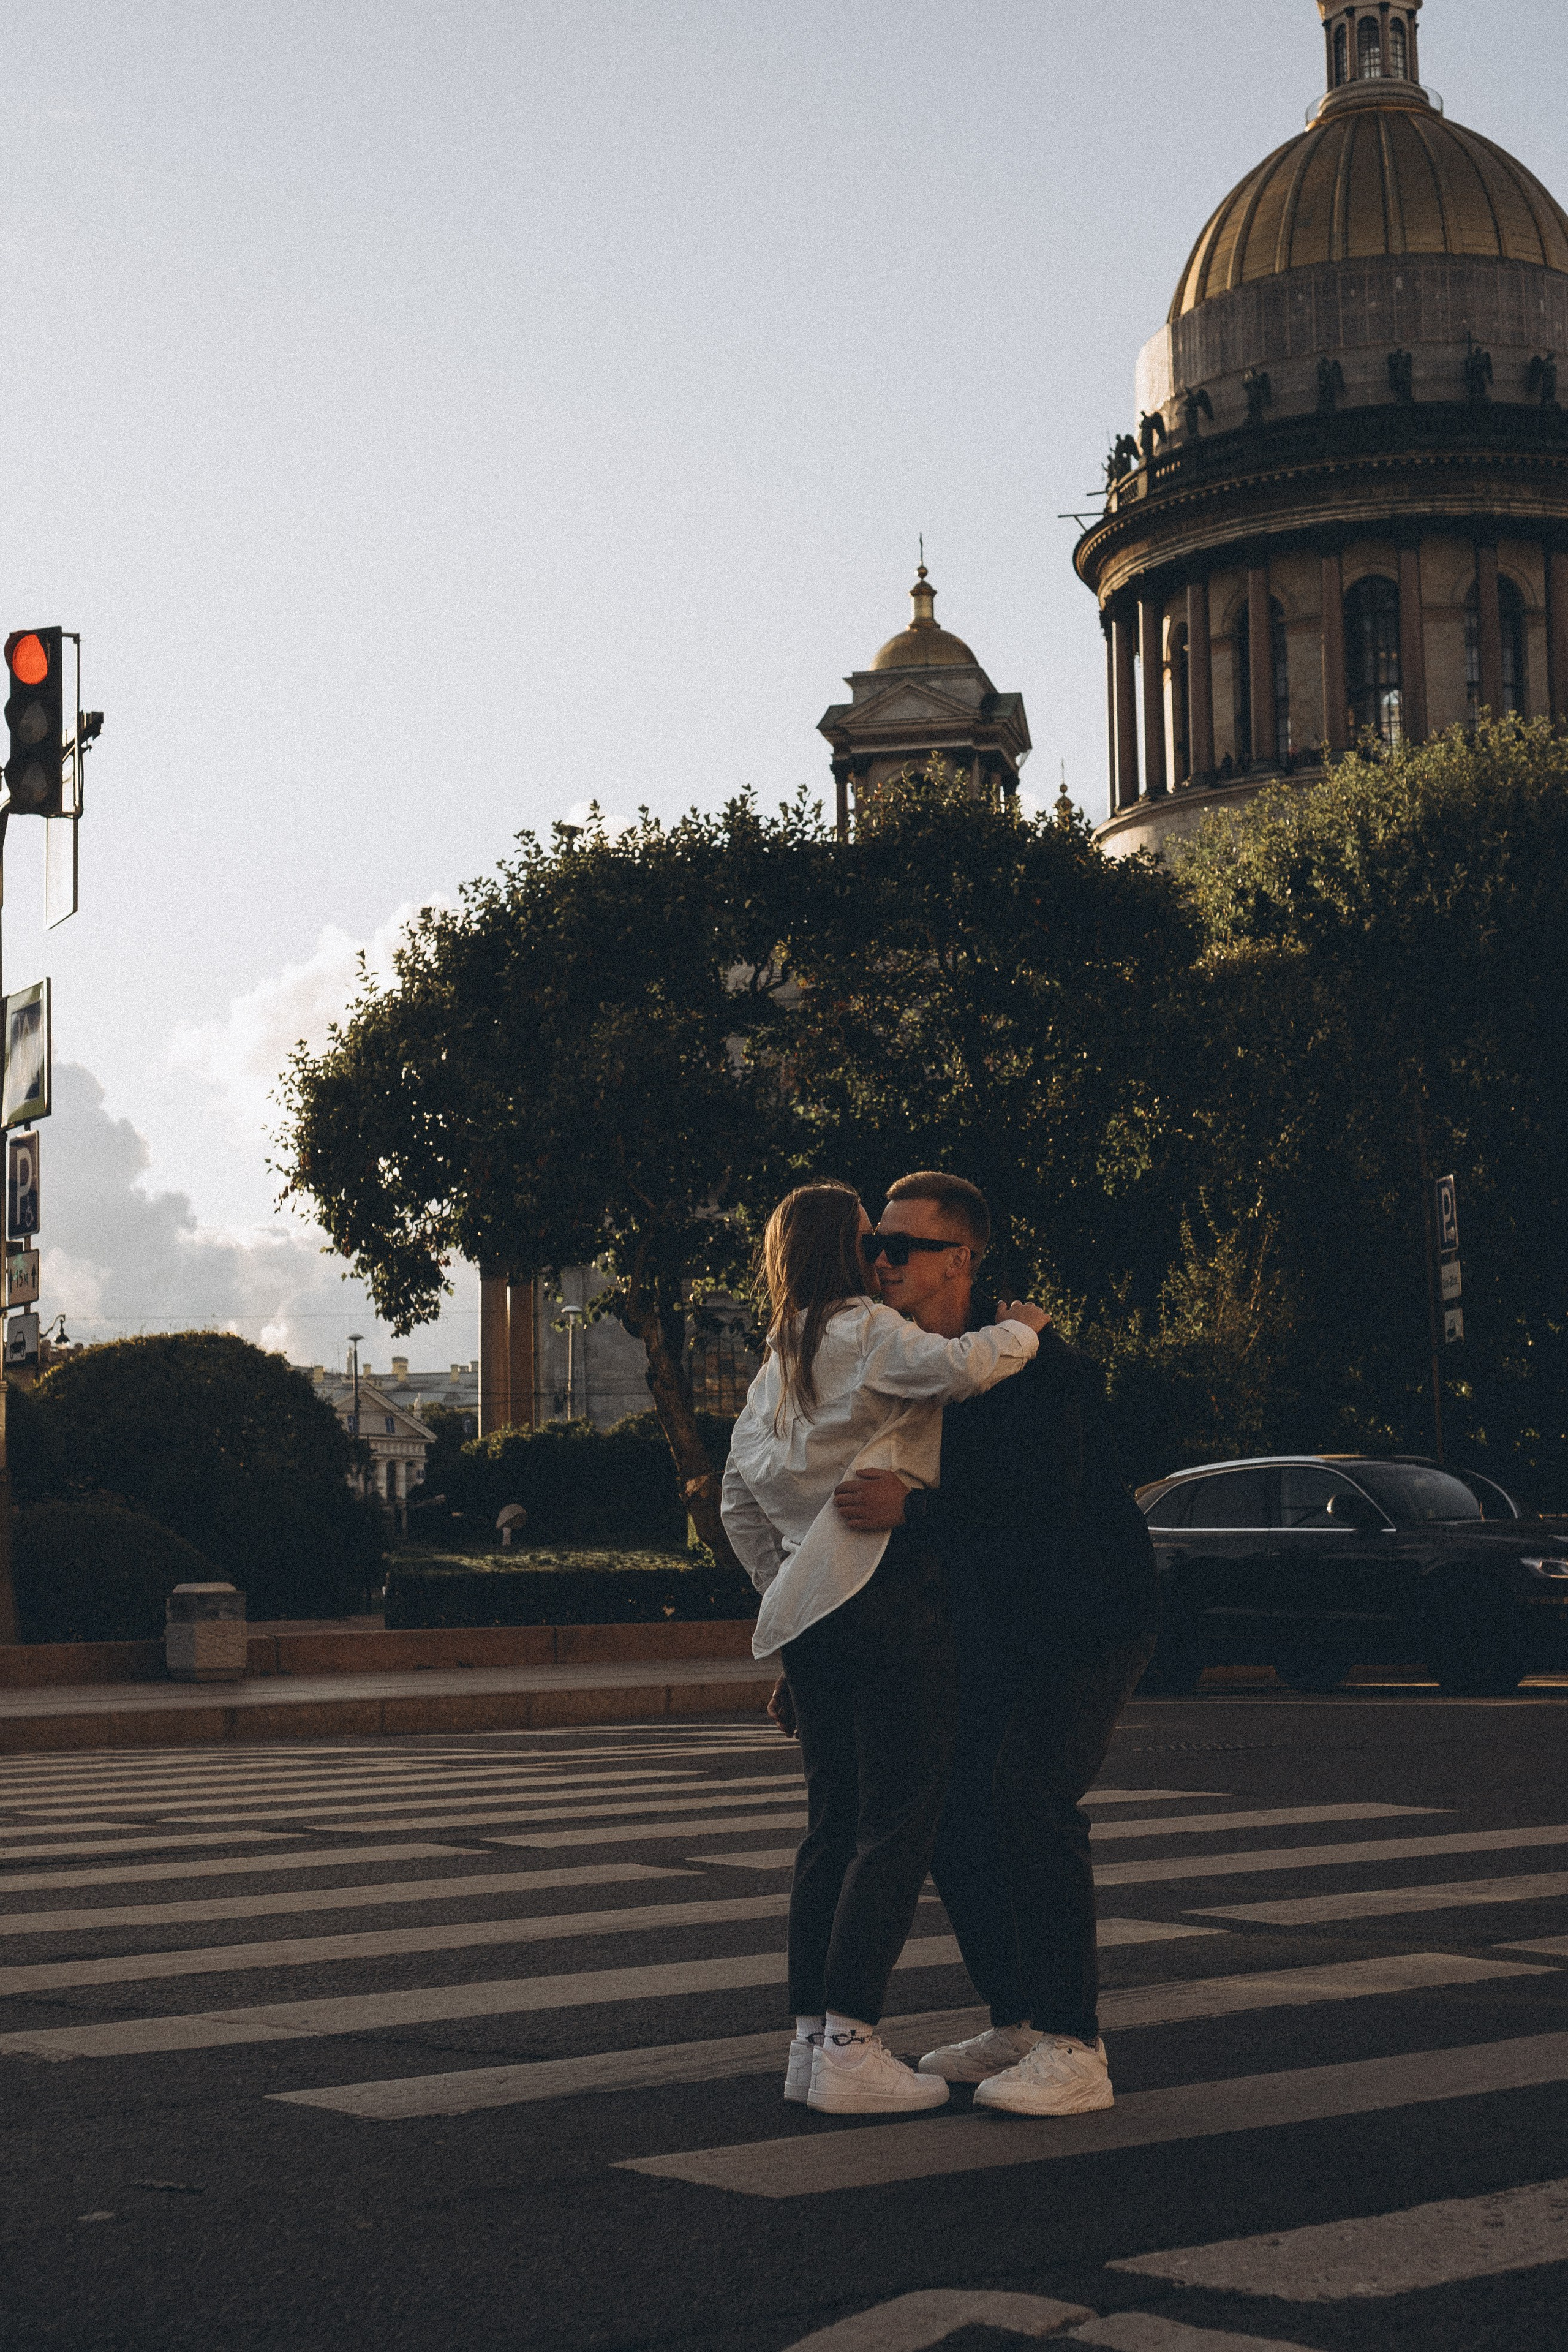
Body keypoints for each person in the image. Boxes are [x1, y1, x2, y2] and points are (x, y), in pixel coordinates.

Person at [834, 1170, 1159, 2117]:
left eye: (904, 1246)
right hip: (997, 1624)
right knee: (951, 1810)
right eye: (876, 1245)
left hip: (1089, 1614)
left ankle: (1076, 2047)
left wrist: (915, 1509)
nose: (882, 1260)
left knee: (1030, 1797)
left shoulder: (1039, 1363)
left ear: (962, 1260)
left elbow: (1042, 1505)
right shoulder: (915, 1363)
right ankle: (1019, 2019)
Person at [720, 1180, 1047, 2116]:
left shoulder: (776, 1362)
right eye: (871, 1239)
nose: (882, 1254)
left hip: (812, 1613)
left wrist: (791, 1586)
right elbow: (964, 1366)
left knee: (830, 1827)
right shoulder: (867, 1331)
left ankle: (810, 2043)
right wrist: (1023, 1330)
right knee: (898, 1823)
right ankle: (853, 2043)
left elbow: (737, 1505)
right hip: (887, 1593)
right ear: (844, 1250)